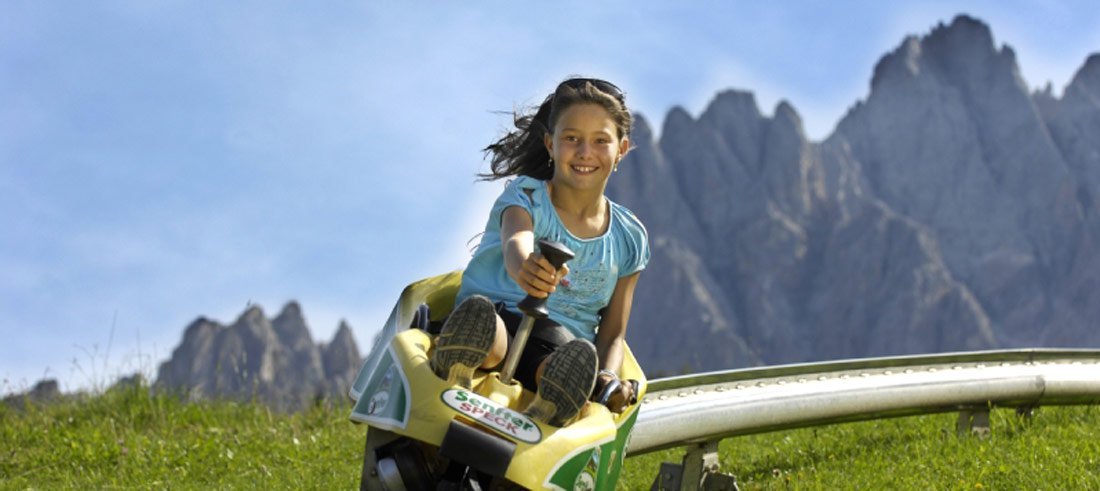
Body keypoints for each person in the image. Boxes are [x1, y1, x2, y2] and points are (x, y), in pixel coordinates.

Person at [430, 77, 649, 427]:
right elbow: (516, 240)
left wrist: (607, 376)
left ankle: (556, 399)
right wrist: (526, 268)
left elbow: (612, 334)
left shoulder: (628, 238)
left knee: (559, 363)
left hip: (559, 344)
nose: (584, 153)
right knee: (495, 339)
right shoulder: (527, 196)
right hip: (499, 312)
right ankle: (461, 357)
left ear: (621, 149)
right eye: (571, 139)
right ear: (550, 144)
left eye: (600, 141)